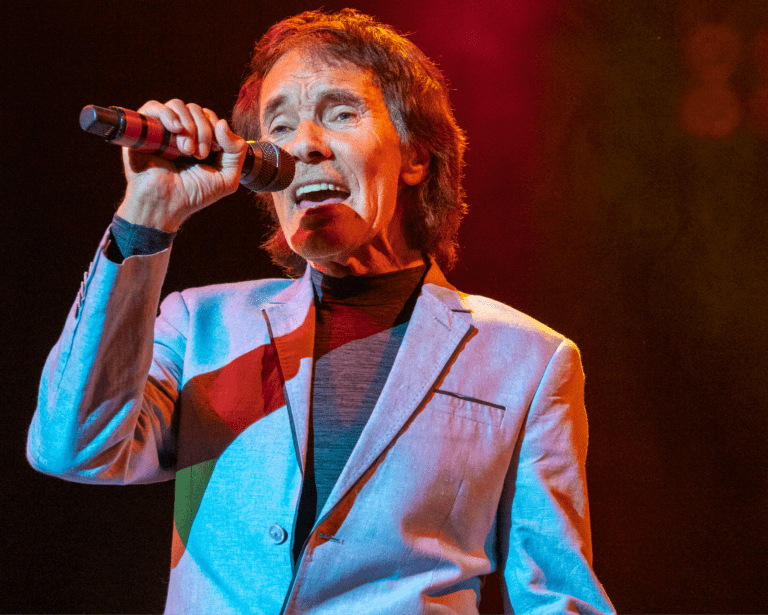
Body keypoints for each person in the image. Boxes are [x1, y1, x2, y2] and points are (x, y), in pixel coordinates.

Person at [28, 9, 615, 615]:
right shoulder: (200, 326)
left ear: (415, 156)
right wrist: (148, 214)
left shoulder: (528, 359)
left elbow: (556, 598)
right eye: (280, 126)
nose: (304, 144)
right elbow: (73, 447)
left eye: (341, 114)